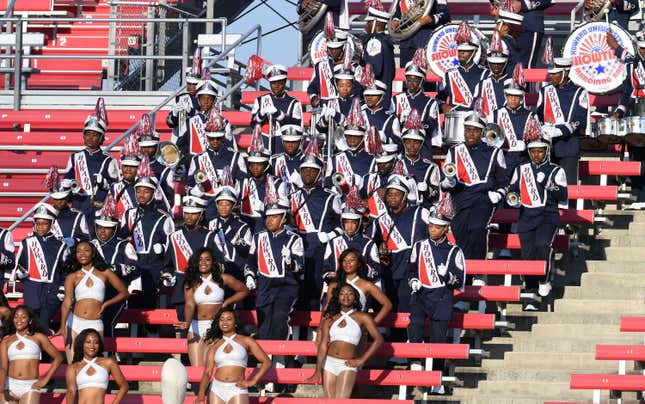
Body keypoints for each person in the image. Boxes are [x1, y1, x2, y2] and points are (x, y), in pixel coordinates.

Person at [407, 194, 465, 394]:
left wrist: (447, 275)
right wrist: (413, 280)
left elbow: (459, 281)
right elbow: (411, 269)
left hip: (441, 298)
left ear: (445, 228)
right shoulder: (419, 246)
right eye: (430, 226)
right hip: (420, 295)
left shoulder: (454, 251)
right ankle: (415, 362)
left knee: (438, 339)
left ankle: (437, 381)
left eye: (437, 227)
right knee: (414, 324)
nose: (432, 230)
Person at [508, 120, 568, 310]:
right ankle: (531, 293)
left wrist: (551, 186)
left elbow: (563, 196)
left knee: (542, 245)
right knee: (527, 255)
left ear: (546, 151)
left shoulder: (556, 170)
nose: (536, 155)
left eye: (540, 151)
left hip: (548, 216)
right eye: (533, 151)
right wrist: (513, 197)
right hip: (526, 216)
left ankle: (544, 280)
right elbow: (512, 190)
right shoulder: (521, 169)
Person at [442, 112, 508, 263]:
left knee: (477, 228)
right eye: (467, 129)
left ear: (482, 132)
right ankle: (466, 271)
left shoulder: (495, 152)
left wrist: (498, 194)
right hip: (460, 198)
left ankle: (479, 271)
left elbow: (504, 182)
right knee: (459, 229)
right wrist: (449, 183)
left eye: (475, 130)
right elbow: (444, 180)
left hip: (483, 199)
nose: (470, 134)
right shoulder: (454, 151)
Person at [244, 189, 304, 342]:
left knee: (279, 318)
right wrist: (250, 275)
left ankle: (280, 360)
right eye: (268, 217)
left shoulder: (294, 239)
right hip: (264, 286)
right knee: (263, 325)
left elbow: (300, 267)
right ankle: (267, 360)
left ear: (283, 219)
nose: (269, 220)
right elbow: (251, 261)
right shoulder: (258, 237)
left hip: (286, 286)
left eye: (274, 217)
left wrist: (290, 262)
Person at [304, 283, 383, 398]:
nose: (346, 296)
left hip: (348, 364)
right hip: (328, 363)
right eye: (342, 293)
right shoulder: (329, 319)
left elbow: (379, 340)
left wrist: (361, 360)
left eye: (350, 293)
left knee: (342, 401)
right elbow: (323, 346)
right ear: (337, 297)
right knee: (329, 402)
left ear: (355, 297)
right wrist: (317, 370)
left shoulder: (363, 317)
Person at [174, 248, 248, 367]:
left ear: (213, 262)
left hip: (216, 327)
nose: (203, 262)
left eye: (207, 259)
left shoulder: (223, 278)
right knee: (197, 371)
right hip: (196, 327)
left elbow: (243, 290)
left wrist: (227, 302)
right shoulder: (191, 282)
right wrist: (187, 322)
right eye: (200, 260)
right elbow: (189, 304)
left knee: (211, 370)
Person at [57, 241, 128, 363]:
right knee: (74, 364)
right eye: (79, 251)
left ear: (93, 253)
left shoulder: (104, 272)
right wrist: (62, 326)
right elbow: (67, 302)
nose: (82, 254)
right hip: (74, 323)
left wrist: (106, 304)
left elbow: (124, 292)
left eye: (86, 250)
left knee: (94, 363)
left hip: (95, 322)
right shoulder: (72, 276)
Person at [290, 139, 340, 310]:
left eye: (312, 171)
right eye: (305, 171)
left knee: (315, 289)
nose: (308, 174)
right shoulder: (292, 196)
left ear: (319, 174)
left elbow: (343, 224)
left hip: (320, 248)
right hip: (297, 246)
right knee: (297, 292)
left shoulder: (331, 197)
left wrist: (330, 235)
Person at [119, 157, 174, 308]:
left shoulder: (164, 217)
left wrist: (166, 264)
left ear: (154, 193)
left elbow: (171, 248)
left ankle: (152, 332)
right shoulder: (129, 214)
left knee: (149, 309)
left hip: (154, 269)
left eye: (146, 191)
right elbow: (120, 240)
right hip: (133, 268)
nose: (141, 195)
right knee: (131, 307)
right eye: (138, 191)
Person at [371, 172, 430, 313]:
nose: (392, 198)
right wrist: (380, 247)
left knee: (404, 308)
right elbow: (373, 243)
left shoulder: (420, 212)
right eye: (390, 194)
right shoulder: (380, 219)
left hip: (410, 268)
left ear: (404, 196)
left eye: (396, 194)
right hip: (388, 268)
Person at [195, 307, 272, 404]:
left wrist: (253, 381)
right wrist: (201, 394)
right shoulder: (214, 346)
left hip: (237, 389)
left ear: (235, 322)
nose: (225, 322)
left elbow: (267, 362)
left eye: (229, 319)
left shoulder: (247, 341)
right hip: (216, 389)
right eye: (221, 319)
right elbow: (207, 372)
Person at [90, 197, 141, 337]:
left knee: (106, 322)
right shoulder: (90, 245)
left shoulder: (124, 245)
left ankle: (108, 354)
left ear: (115, 229)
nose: (102, 232)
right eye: (99, 228)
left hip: (115, 293)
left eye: (107, 229)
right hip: (91, 291)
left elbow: (135, 268)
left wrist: (116, 268)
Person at [13, 205, 70, 329]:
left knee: (43, 324)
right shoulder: (26, 242)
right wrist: (21, 273)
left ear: (52, 224)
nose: (40, 227)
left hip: (52, 291)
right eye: (38, 223)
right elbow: (18, 266)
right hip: (31, 290)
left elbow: (65, 271)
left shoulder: (61, 246)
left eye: (44, 224)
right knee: (30, 326)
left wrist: (61, 289)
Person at [162, 196, 214, 324]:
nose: (188, 217)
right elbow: (167, 264)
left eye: (193, 213)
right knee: (186, 332)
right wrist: (168, 275)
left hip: (204, 291)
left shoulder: (210, 236)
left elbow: (219, 263)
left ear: (201, 216)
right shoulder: (174, 236)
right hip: (181, 291)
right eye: (186, 213)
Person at [536, 56, 588, 185]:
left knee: (568, 187)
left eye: (555, 74)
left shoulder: (579, 92)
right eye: (550, 74)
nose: (551, 77)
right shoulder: (544, 91)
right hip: (547, 146)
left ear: (565, 72)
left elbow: (580, 120)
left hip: (568, 146)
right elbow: (538, 116)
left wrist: (560, 131)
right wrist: (542, 129)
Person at [63, 99, 119, 219]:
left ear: (101, 138)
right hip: (77, 205)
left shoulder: (109, 160)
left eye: (94, 135)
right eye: (88, 134)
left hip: (97, 208)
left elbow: (115, 186)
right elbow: (66, 179)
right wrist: (66, 183)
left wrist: (103, 182)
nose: (90, 138)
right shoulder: (75, 157)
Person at [0, 305, 63, 403]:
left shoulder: (39, 337)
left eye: (23, 317)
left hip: (30, 386)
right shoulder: (6, 341)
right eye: (16, 317)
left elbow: (58, 358)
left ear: (30, 320)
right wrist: (1, 385)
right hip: (10, 386)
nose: (19, 320)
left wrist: (45, 379)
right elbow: (3, 367)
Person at [323, 188, 381, 286]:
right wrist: (329, 275)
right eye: (346, 222)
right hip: (337, 287)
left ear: (360, 223)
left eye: (353, 222)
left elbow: (377, 271)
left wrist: (362, 270)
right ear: (342, 223)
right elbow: (326, 267)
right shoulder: (333, 242)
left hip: (361, 289)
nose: (349, 226)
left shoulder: (369, 244)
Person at [389, 53, 440, 158]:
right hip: (401, 147)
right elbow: (390, 124)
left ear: (421, 81)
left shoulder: (430, 102)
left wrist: (415, 123)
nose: (411, 83)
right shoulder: (396, 99)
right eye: (409, 79)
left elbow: (430, 125)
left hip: (422, 147)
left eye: (416, 80)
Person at [187, 110, 246, 200]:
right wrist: (195, 190)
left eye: (218, 138)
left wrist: (233, 193)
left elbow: (243, 183)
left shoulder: (236, 157)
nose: (215, 141)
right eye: (211, 138)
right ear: (206, 138)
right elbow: (188, 187)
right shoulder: (197, 159)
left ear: (223, 137)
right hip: (206, 206)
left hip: (228, 205)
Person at [324, 249, 391, 323]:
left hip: (358, 329)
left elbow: (387, 305)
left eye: (352, 260)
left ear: (359, 263)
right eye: (344, 260)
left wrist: (371, 325)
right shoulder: (333, 285)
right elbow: (327, 311)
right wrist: (321, 331)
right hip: (335, 330)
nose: (348, 263)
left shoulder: (367, 285)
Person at [250, 64, 304, 155]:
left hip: (284, 147)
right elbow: (252, 124)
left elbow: (297, 126)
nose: (276, 86)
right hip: (264, 145)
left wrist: (279, 115)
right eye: (273, 83)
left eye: (280, 82)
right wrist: (260, 115)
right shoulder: (260, 100)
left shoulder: (294, 103)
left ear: (285, 82)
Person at [65, 328, 128, 404]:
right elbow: (71, 392)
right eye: (88, 342)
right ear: (82, 344)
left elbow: (124, 386)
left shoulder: (109, 363)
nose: (92, 345)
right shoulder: (73, 367)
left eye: (96, 342)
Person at [437, 22, 489, 113]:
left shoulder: (485, 74)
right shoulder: (449, 74)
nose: (462, 53)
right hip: (455, 119)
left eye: (466, 50)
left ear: (474, 52)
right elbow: (439, 99)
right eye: (460, 50)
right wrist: (443, 105)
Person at [390, 0, 450, 67]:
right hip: (406, 40)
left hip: (424, 37)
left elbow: (445, 15)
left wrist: (431, 19)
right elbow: (397, 13)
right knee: (405, 70)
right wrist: (395, 20)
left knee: (424, 70)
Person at [43, 167, 90, 247]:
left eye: (62, 198)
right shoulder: (44, 215)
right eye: (56, 198)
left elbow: (87, 239)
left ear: (68, 197)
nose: (59, 201)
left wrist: (75, 241)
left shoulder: (78, 216)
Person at [362, 3, 395, 104]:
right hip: (383, 95)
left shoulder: (374, 42)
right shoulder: (385, 40)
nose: (366, 25)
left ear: (376, 24)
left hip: (375, 98)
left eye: (369, 22)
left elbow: (374, 71)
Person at [108, 134, 140, 221]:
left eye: (132, 166)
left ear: (138, 168)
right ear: (121, 167)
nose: (128, 169)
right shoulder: (114, 188)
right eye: (125, 166)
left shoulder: (145, 187)